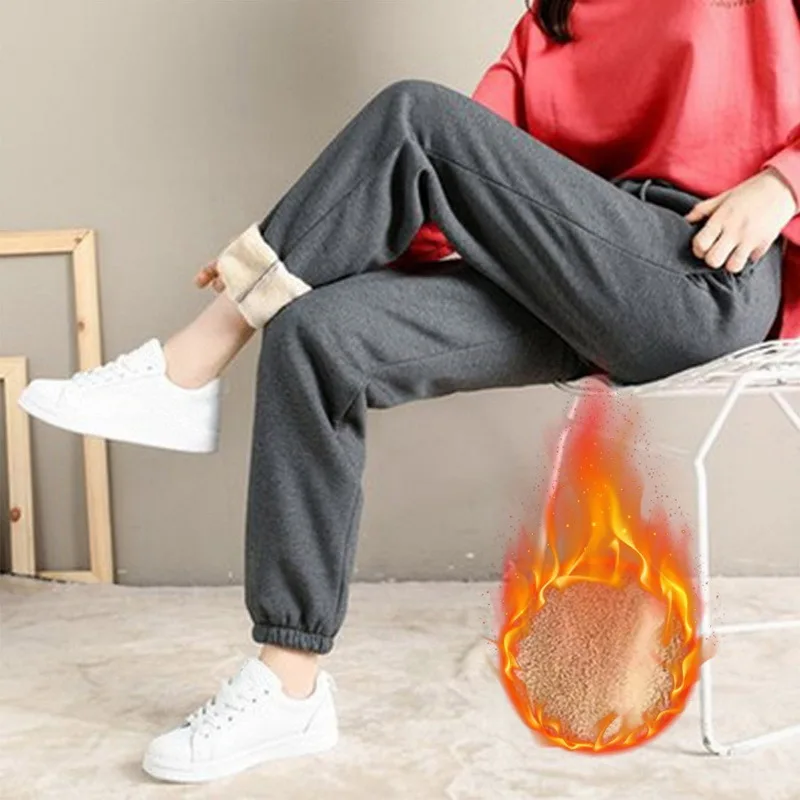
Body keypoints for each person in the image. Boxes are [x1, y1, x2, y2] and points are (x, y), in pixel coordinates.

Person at [17, 0, 800, 785]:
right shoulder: (549, 22)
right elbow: (432, 190)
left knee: (415, 113)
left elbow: (424, 136)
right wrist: (300, 252)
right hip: (567, 281)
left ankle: (188, 364)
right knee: (314, 331)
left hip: (701, 271)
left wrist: (782, 184)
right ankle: (288, 686)